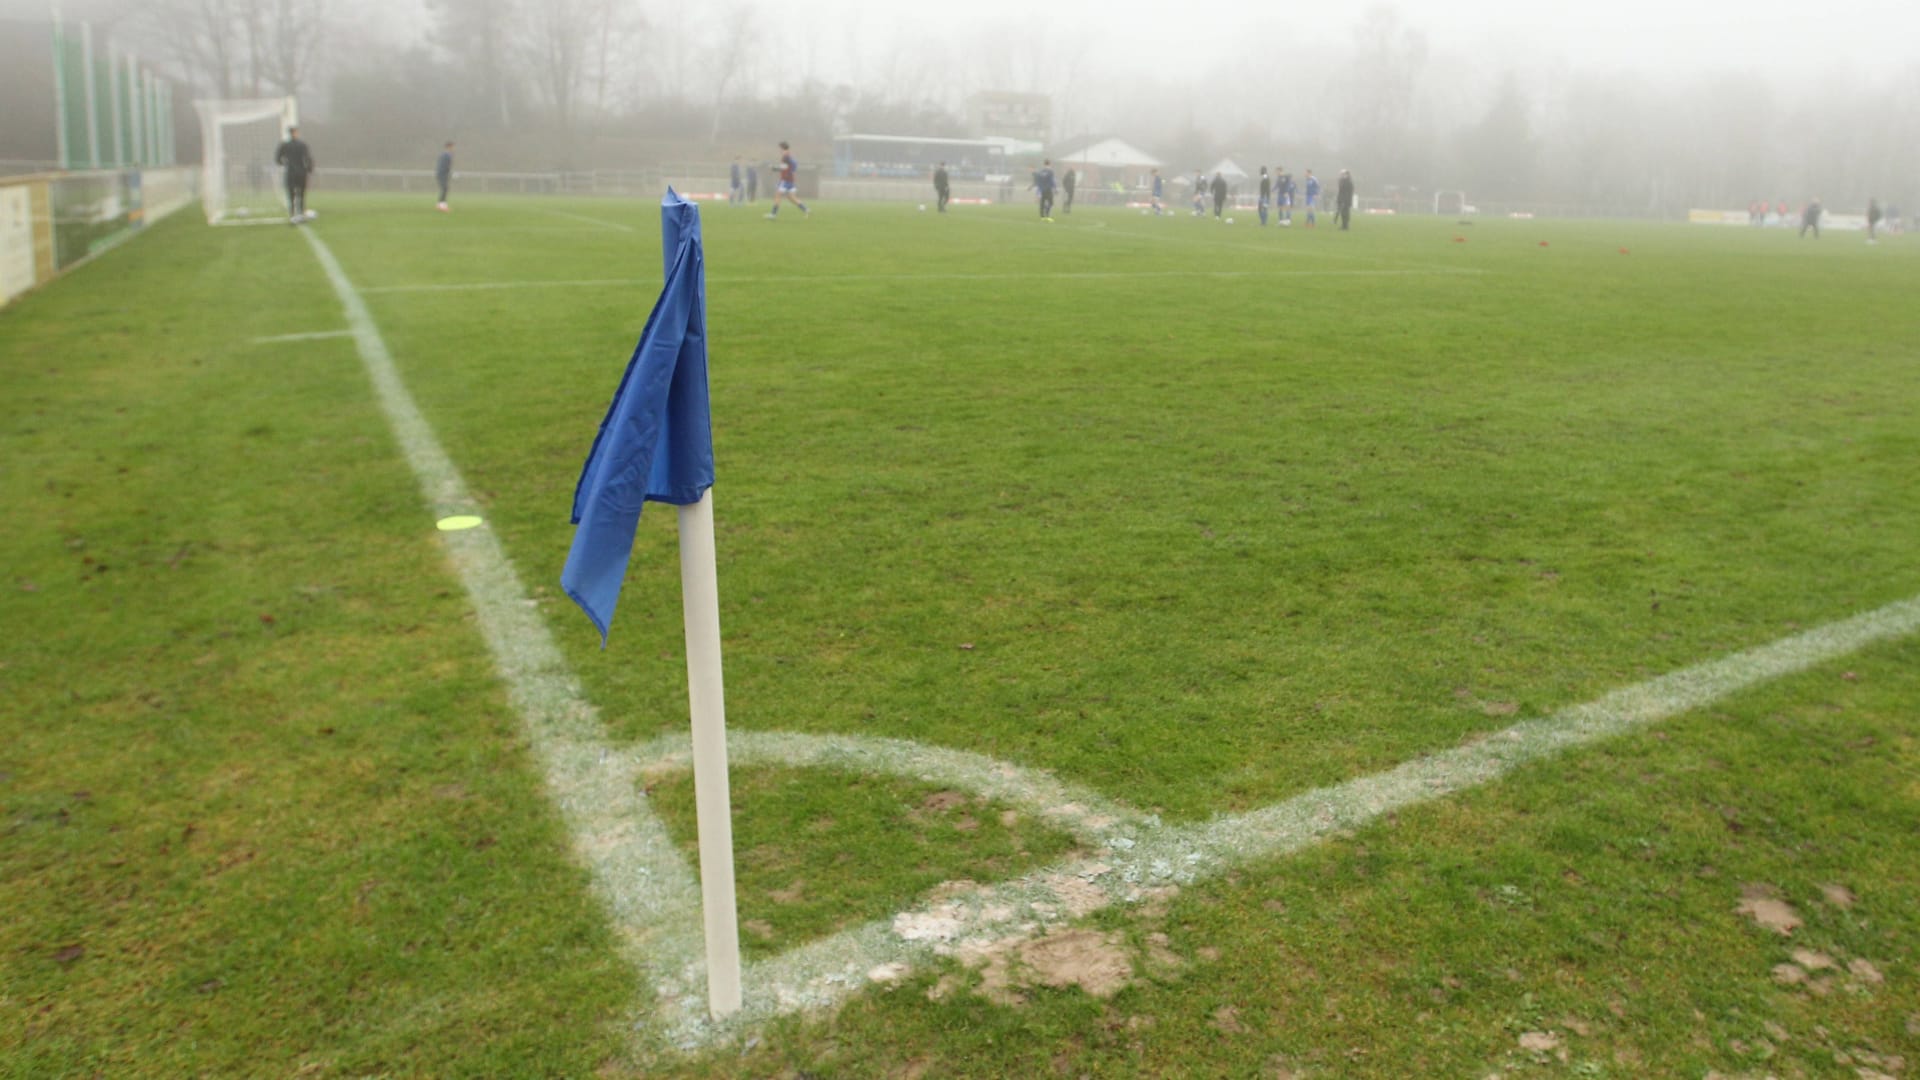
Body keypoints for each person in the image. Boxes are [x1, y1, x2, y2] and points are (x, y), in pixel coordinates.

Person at [274, 125, 314, 224]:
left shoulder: (284, 145)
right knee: (301, 195)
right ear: (295, 133)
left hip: (290, 172)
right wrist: (309, 170)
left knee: (291, 194)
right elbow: (308, 158)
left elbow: (278, 159)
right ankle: (301, 215)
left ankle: (292, 215)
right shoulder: (302, 144)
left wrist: (284, 163)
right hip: (301, 172)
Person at [765, 141, 809, 219]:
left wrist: (774, 168)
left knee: (778, 195)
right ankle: (805, 209)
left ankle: (773, 214)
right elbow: (793, 165)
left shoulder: (785, 156)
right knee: (792, 198)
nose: (779, 150)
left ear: (782, 147)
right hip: (790, 180)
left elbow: (784, 167)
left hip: (785, 180)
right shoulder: (789, 156)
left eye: (780, 148)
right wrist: (791, 170)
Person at [435, 141, 454, 211]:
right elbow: (445, 166)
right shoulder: (446, 155)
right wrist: (448, 173)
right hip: (442, 174)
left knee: (445, 188)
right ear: (448, 147)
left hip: (442, 174)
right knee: (445, 188)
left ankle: (440, 204)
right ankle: (442, 205)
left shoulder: (445, 155)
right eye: (452, 147)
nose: (453, 148)